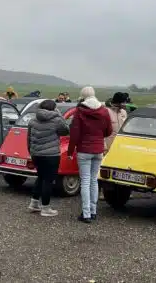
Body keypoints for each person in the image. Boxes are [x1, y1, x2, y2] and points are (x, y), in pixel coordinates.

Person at [68, 86, 113, 223]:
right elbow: (109, 131)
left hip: (84, 150)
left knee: (85, 181)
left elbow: (74, 133)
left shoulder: (79, 111)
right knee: (94, 180)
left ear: (83, 96)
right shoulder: (104, 111)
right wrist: (99, 136)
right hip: (98, 149)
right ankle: (93, 211)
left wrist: (70, 151)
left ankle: (86, 213)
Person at [27, 100, 70, 216]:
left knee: (40, 177)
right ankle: (46, 208)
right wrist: (59, 115)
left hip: (36, 154)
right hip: (51, 155)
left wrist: (31, 152)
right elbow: (66, 131)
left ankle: (34, 203)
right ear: (54, 109)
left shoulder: (32, 120)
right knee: (48, 180)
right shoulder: (57, 120)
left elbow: (28, 139)